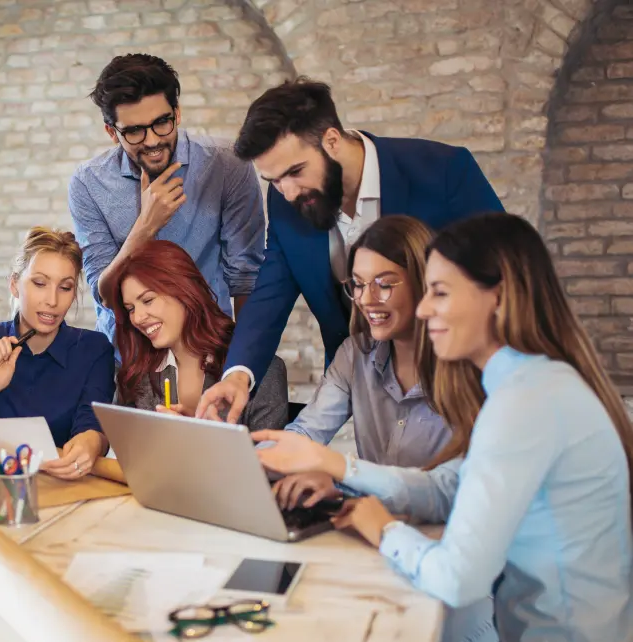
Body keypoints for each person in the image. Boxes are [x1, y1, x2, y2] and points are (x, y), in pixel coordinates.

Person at [258, 213, 633, 642]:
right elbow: (451, 487)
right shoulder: (531, 386)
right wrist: (344, 469)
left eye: (440, 292)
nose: (424, 310)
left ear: (496, 296)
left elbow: (457, 580)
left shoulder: (524, 404)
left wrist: (384, 529)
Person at [197, 78, 503, 424]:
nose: (288, 192)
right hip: (365, 391)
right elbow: (271, 293)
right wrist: (238, 375)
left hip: (465, 384)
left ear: (331, 140)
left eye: (296, 172)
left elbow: (507, 274)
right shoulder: (285, 202)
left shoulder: (444, 171)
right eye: (275, 180)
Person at [69, 53, 266, 346]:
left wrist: (242, 364)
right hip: (125, 359)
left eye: (162, 122)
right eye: (134, 131)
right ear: (112, 133)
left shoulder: (227, 165)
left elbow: (246, 278)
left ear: (178, 113)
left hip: (208, 349)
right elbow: (106, 295)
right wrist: (145, 226)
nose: (151, 141)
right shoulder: (87, 183)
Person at [269, 215, 449, 508]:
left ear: (423, 282)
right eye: (358, 284)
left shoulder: (467, 368)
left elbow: (450, 490)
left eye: (385, 284)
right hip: (370, 528)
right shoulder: (355, 354)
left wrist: (340, 480)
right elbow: (305, 433)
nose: (366, 299)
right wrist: (244, 458)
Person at [0, 227, 114, 480]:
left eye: (65, 287)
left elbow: (91, 426)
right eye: (39, 283)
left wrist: (90, 444)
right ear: (14, 284)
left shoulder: (94, 349)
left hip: (65, 487)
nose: (52, 300)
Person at [108, 239, 286, 432]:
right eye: (131, 309)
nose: (138, 318)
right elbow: (129, 455)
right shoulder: (138, 377)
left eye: (148, 300)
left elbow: (267, 458)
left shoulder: (261, 371)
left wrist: (199, 443)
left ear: (184, 290)